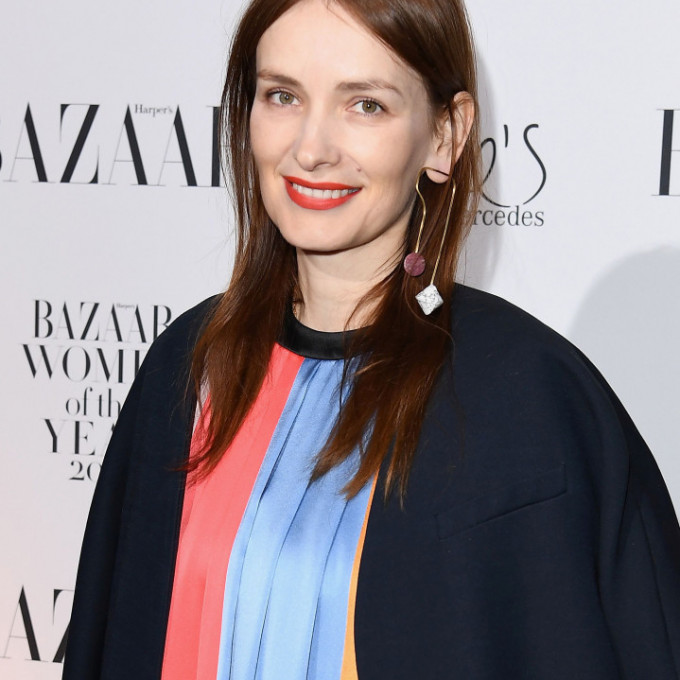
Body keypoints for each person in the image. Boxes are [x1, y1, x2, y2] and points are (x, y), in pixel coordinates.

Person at [62, 0, 680, 678]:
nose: (311, 148)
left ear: (445, 135)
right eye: (282, 96)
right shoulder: (188, 366)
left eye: (366, 106)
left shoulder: (527, 399)